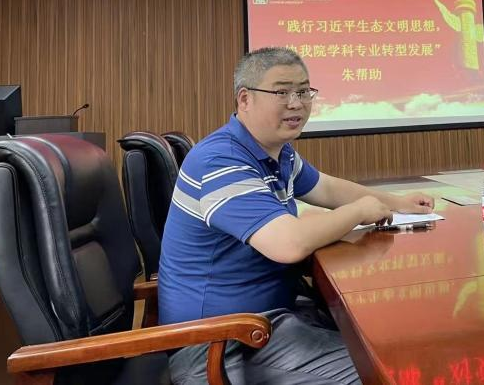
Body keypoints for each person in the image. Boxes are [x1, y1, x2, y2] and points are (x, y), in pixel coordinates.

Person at [158, 47, 435, 384]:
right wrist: (359, 211)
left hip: (268, 319)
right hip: (218, 344)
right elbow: (288, 244)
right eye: (282, 92)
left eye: (304, 92)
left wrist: (397, 202)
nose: (297, 103)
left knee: (393, 337)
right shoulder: (221, 160)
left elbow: (326, 189)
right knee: (390, 369)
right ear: (245, 99)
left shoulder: (276, 152)